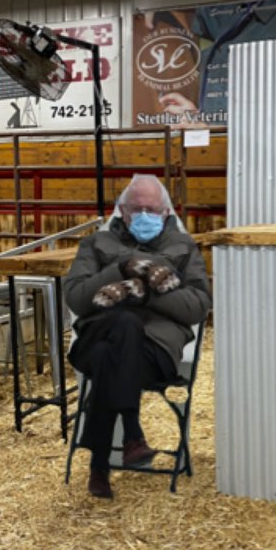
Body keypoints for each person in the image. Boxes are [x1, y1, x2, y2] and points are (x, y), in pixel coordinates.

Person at [63, 174, 212, 499]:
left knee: (112, 350)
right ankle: (132, 433)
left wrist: (144, 292)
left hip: (153, 350)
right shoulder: (95, 245)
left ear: (165, 212)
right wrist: (121, 269)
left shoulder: (183, 247)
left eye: (152, 208)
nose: (145, 214)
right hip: (95, 336)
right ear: (123, 212)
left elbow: (198, 307)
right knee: (123, 326)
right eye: (137, 208)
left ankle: (100, 465)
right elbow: (75, 297)